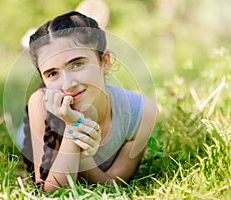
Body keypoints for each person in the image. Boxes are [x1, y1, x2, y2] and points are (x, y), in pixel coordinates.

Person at [20, 11, 158, 191]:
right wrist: (72, 128)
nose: (68, 85)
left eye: (77, 64)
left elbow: (112, 184)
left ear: (105, 62)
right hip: (30, 129)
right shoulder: (40, 104)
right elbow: (52, 189)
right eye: (52, 73)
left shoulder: (141, 112)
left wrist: (83, 154)